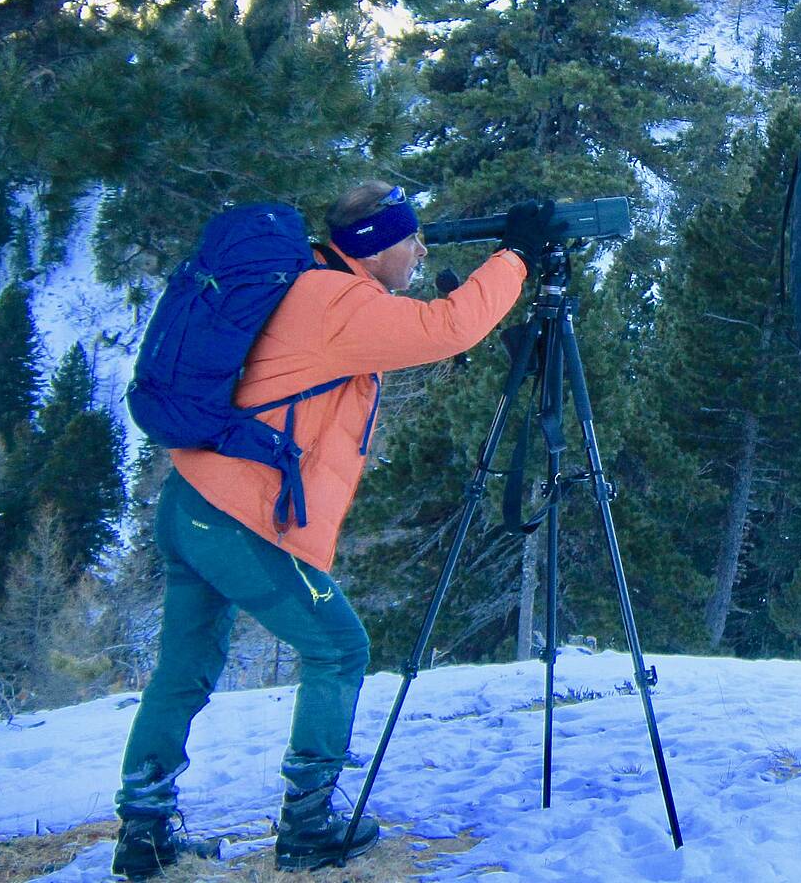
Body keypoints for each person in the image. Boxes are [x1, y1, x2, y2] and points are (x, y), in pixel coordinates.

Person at [111, 181, 542, 878]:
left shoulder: (319, 288)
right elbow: (449, 328)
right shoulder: (337, 303)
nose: (421, 250)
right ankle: (309, 821)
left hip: (191, 500)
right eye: (412, 240)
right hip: (233, 519)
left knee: (185, 669)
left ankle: (144, 829)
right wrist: (517, 257)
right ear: (373, 249)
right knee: (340, 647)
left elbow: (398, 349)